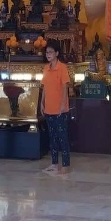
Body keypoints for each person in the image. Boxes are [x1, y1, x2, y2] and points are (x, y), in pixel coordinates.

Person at [40, 40, 71, 175]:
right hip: (49, 108)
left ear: (57, 53)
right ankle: (54, 163)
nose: (48, 54)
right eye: (47, 52)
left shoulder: (62, 67)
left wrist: (63, 104)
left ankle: (65, 165)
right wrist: (42, 102)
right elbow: (44, 87)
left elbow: (65, 87)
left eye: (51, 52)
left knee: (62, 137)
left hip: (60, 109)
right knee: (52, 137)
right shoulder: (46, 68)